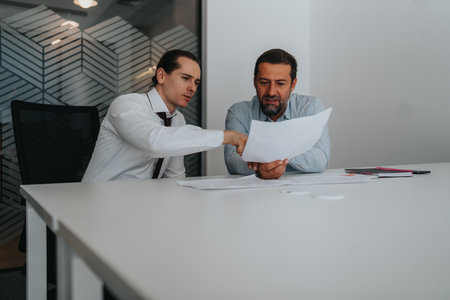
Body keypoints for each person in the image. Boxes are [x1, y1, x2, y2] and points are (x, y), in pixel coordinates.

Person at [83, 49, 247, 182]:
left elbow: (174, 176)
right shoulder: (127, 104)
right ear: (161, 76)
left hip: (141, 205)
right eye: (185, 78)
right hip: (100, 200)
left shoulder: (177, 119)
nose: (192, 88)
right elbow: (154, 141)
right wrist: (227, 137)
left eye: (196, 82)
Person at [224, 48, 331, 179]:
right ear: (254, 82)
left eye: (280, 83)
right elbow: (232, 162)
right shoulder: (239, 112)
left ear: (293, 84)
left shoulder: (310, 107)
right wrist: (260, 169)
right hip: (253, 193)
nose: (271, 92)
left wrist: (269, 153)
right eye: (264, 82)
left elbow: (321, 160)